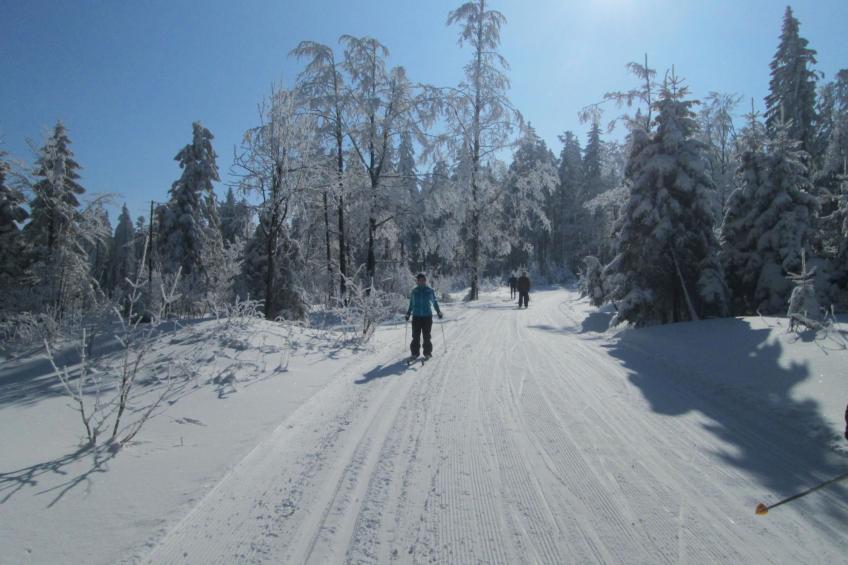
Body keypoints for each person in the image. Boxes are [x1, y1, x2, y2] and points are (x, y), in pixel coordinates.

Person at [404, 273, 443, 359]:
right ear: (417, 281)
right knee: (415, 336)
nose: (421, 282)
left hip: (427, 317)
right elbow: (411, 304)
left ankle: (427, 353)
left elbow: (434, 302)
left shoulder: (429, 290)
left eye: (423, 280)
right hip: (416, 316)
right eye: (419, 280)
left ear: (425, 281)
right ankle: (415, 353)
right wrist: (408, 313)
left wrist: (438, 311)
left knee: (426, 335)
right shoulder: (414, 291)